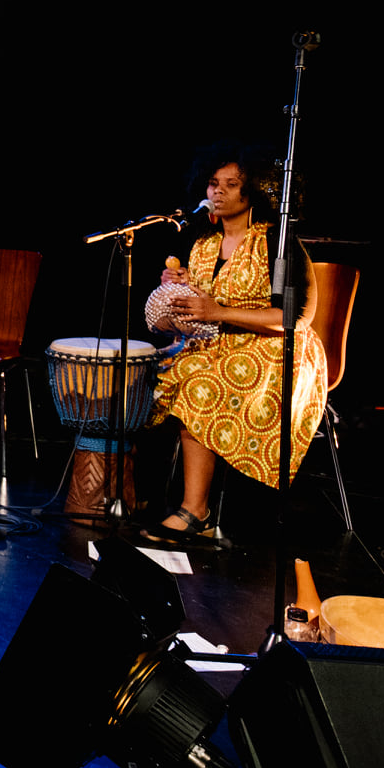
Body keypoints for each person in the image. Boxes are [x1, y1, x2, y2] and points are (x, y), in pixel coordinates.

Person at [146, 144, 327, 540]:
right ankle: (143, 496)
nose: (219, 192)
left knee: (197, 384)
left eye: (232, 184)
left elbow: (296, 318)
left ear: (254, 192)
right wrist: (178, 289)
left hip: (280, 350)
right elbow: (202, 308)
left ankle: (196, 513)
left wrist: (219, 313)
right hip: (223, 344)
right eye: (213, 184)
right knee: (156, 376)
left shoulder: (275, 244)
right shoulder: (204, 244)